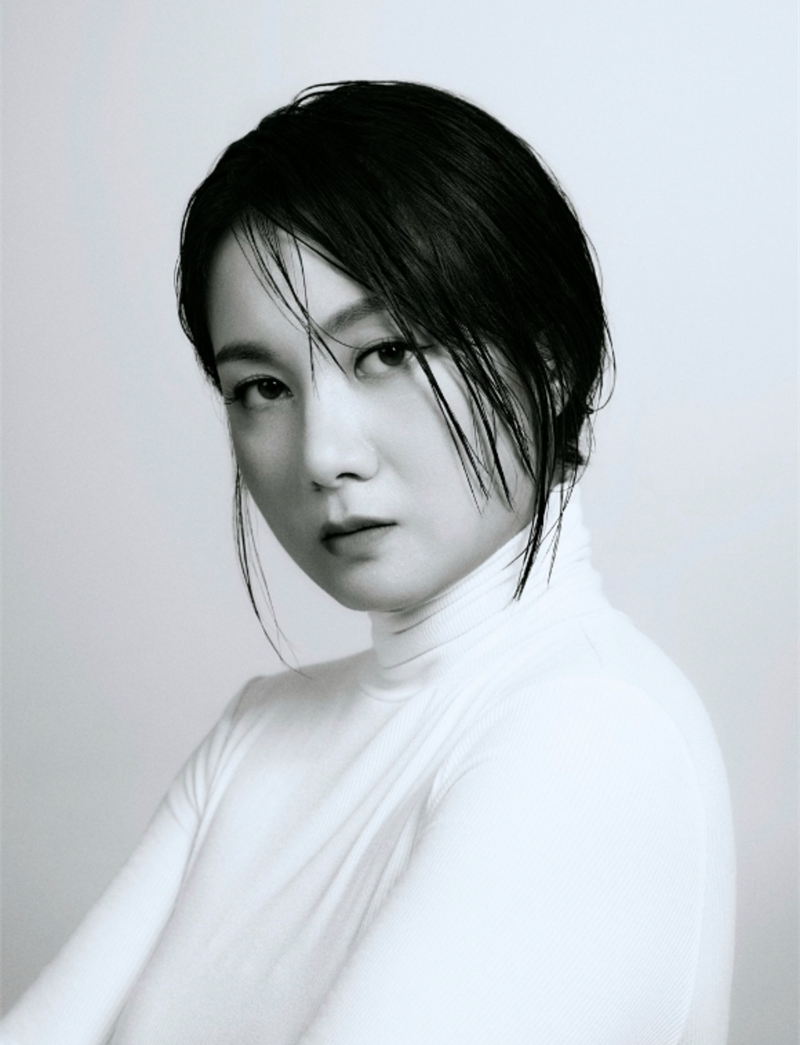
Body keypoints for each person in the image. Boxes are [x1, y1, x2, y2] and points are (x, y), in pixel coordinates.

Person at [2, 81, 735, 1045]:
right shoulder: (261, 733)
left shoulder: (593, 732)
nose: (321, 454)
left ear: (550, 356)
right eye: (263, 387)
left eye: (385, 352)